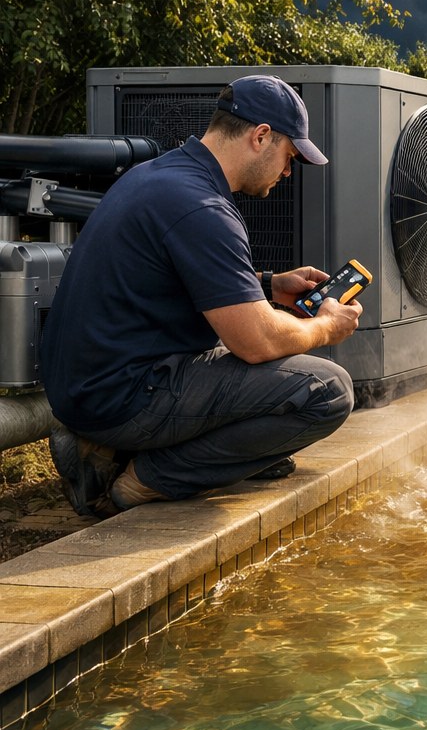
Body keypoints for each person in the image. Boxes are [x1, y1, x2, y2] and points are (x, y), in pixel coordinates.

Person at [39, 74, 361, 518]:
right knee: (328, 391)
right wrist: (325, 326)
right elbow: (256, 343)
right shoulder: (202, 207)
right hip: (123, 395)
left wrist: (268, 284)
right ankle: (145, 479)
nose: (288, 171)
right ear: (260, 136)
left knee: (268, 438)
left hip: (85, 387)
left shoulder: (161, 175)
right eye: (290, 156)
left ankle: (102, 448)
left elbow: (174, 278)